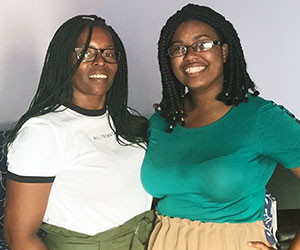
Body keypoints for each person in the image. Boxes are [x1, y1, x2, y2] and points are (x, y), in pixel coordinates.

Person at [141, 4, 300, 250]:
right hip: (163, 242)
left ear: (224, 52)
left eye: (202, 44)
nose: (191, 55)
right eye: (179, 49)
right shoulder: (162, 120)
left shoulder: (260, 117)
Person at [3, 15, 153, 250]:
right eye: (86, 53)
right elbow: (18, 236)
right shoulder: (42, 132)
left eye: (109, 53)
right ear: (65, 60)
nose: (100, 61)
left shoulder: (128, 120)